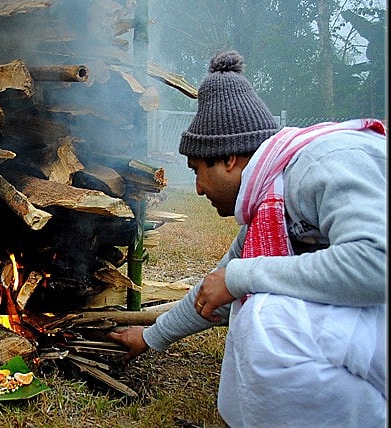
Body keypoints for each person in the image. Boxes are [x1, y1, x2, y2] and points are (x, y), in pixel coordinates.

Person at [109, 50, 387, 427]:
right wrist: (152, 336)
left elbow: (375, 265)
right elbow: (213, 294)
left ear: (228, 160)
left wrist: (243, 277)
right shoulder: (269, 209)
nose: (198, 189)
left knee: (268, 319)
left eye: (196, 171)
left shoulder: (323, 163)